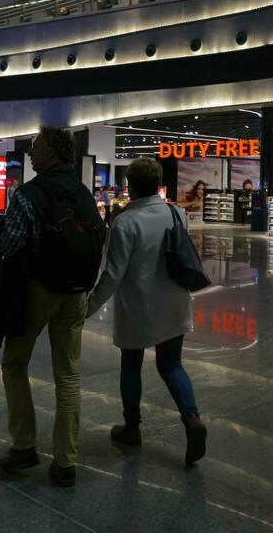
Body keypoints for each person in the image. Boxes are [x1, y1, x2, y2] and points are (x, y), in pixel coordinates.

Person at [0, 127, 105, 487]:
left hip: (38, 290)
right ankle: (65, 461)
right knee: (68, 374)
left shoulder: (28, 194)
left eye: (36, 146)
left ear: (54, 152)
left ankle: (25, 445)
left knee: (14, 362)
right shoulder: (83, 194)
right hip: (75, 293)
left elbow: (10, 246)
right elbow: (99, 235)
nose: (30, 152)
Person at [86, 157, 206, 466]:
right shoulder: (175, 212)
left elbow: (112, 274)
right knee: (172, 366)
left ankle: (132, 427)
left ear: (130, 186)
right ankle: (192, 419)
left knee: (131, 366)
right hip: (174, 303)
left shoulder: (125, 223)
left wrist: (88, 308)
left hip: (138, 308)